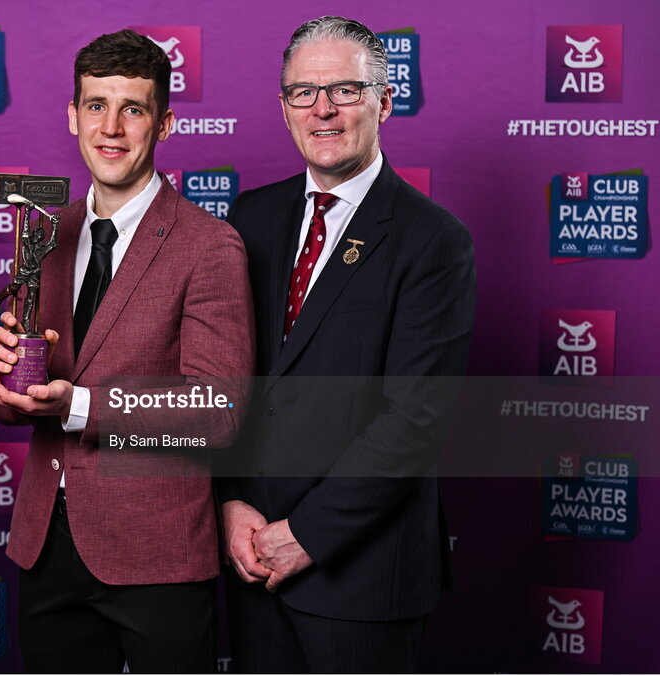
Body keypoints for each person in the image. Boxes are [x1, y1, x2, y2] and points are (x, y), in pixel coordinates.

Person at [0, 30, 254, 673]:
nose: (111, 126)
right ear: (73, 115)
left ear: (164, 123)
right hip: (47, 548)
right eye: (96, 105)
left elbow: (218, 411)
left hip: (156, 554)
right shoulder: (45, 234)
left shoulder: (209, 245)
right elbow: (20, 403)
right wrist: (5, 390)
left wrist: (77, 405)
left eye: (132, 108)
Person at [218, 17, 476, 673]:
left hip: (361, 579)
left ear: (384, 102)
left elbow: (414, 421)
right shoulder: (251, 217)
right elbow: (228, 379)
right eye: (303, 92)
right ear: (283, 108)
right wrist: (229, 502)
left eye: (344, 90)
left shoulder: (432, 240)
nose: (322, 109)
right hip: (251, 559)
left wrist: (304, 536)